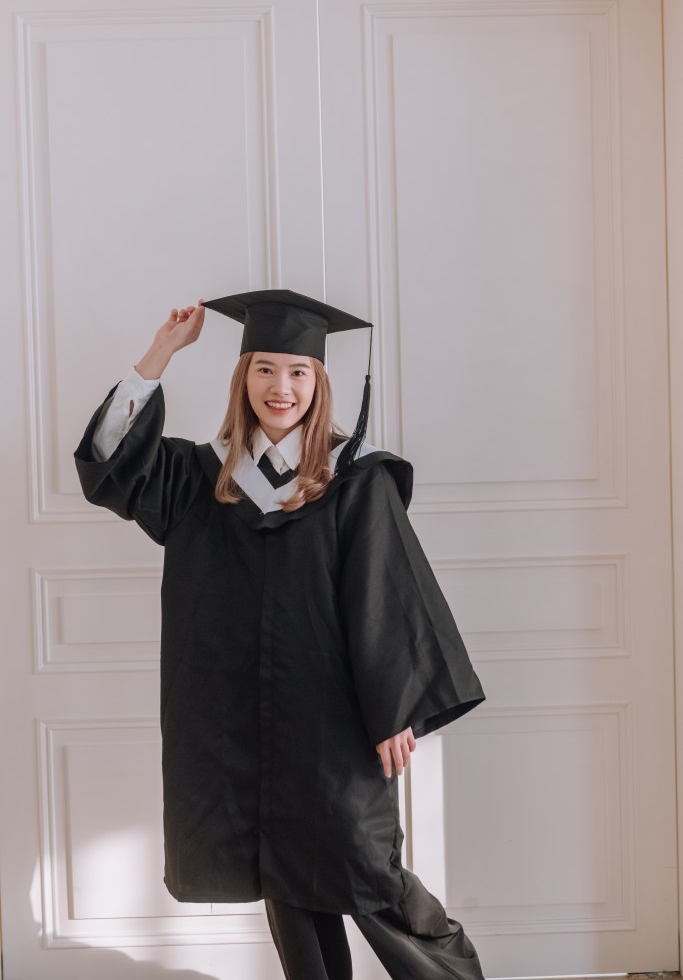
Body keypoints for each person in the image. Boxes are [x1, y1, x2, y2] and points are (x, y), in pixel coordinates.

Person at [74, 289, 486, 980]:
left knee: (366, 870)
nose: (280, 387)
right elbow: (110, 463)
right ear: (243, 378)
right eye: (264, 369)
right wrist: (159, 355)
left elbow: (387, 588)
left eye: (298, 372)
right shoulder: (200, 478)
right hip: (234, 716)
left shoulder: (355, 478)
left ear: (318, 382)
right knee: (285, 874)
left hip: (333, 719)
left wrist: (394, 707)